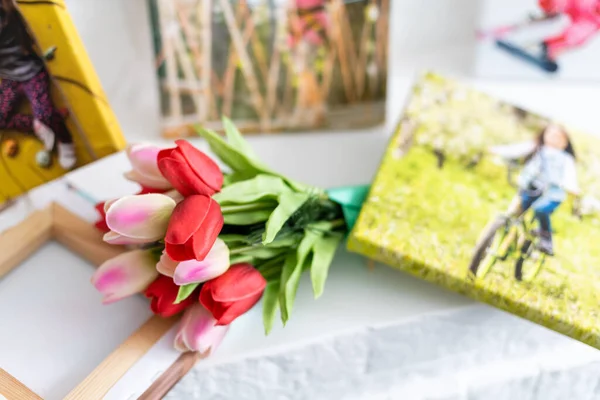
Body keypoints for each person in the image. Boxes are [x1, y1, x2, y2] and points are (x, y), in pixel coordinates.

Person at [0, 0, 75, 169]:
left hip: (31, 72)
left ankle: (65, 139)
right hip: (10, 79)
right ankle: (37, 125)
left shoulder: (5, 13)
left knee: (45, 114)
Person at [492, 124, 580, 256]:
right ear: (544, 134)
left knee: (540, 209)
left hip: (551, 194)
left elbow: (569, 176)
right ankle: (498, 240)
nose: (554, 139)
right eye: (551, 135)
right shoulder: (537, 147)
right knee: (514, 213)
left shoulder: (566, 159)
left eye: (559, 137)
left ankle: (546, 239)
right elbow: (516, 150)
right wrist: (497, 150)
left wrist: (572, 188)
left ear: (565, 142)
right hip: (530, 187)